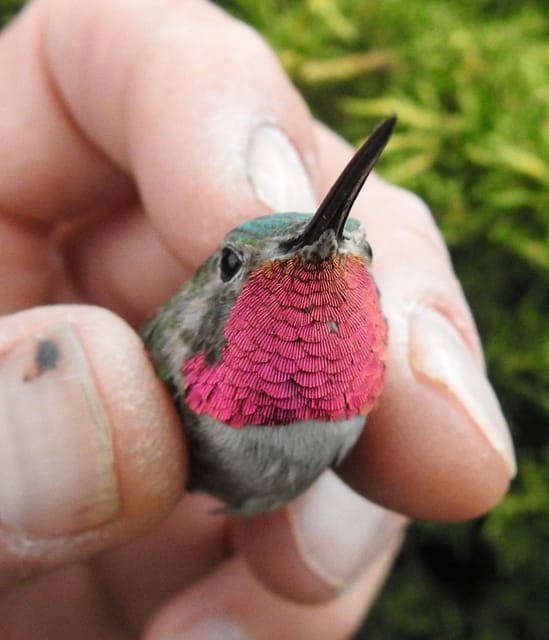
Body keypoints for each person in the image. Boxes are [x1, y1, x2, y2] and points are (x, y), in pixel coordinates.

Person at [0, 0, 516, 637]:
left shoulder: (363, 391)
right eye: (236, 266)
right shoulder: (171, 361)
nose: (333, 256)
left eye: (364, 252)